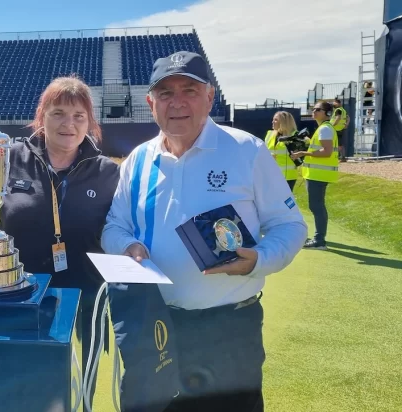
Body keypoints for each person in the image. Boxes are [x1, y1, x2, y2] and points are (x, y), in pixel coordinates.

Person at [101, 51, 307, 411]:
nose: (177, 102)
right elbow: (114, 226)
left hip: (228, 328)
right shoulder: (138, 159)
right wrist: (129, 245)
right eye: (165, 93)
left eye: (189, 90)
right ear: (151, 103)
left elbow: (289, 227)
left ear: (210, 97)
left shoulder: (246, 150)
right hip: (154, 326)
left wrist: (257, 260)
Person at [0, 75, 120, 408]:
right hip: (22, 292)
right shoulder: (9, 158)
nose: (69, 123)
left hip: (87, 293)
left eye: (79, 116)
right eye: (59, 113)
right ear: (42, 116)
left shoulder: (107, 171)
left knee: (85, 381)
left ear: (89, 122)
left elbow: (122, 228)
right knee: (25, 380)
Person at [291, 101, 339, 250]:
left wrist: (303, 152)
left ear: (327, 113)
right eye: (313, 109)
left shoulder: (324, 129)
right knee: (317, 206)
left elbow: (327, 151)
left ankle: (319, 240)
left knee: (316, 206)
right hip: (317, 174)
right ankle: (319, 238)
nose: (314, 111)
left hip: (319, 174)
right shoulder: (323, 129)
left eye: (318, 109)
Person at [263, 111, 299, 191]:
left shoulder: (295, 136)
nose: (272, 122)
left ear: (284, 122)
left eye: (275, 120)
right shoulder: (269, 134)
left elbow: (300, 155)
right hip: (270, 175)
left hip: (287, 176)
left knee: (284, 202)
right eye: (273, 119)